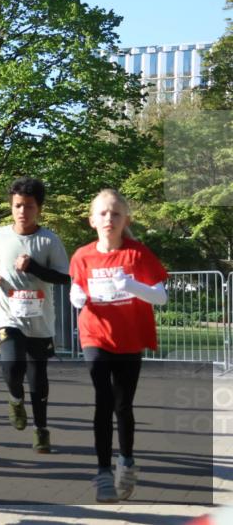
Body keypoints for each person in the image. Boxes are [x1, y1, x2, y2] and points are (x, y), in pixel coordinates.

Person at [69, 189, 168, 503]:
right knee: (103, 401)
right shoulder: (82, 255)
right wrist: (78, 298)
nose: (108, 219)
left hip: (128, 339)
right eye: (102, 213)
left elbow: (161, 296)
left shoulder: (137, 254)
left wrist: (133, 286)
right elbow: (75, 288)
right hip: (95, 335)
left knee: (123, 405)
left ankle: (126, 461)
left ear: (126, 219)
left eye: (115, 213)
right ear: (91, 220)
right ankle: (103, 475)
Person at [0, 177, 70, 453]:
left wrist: (34, 268)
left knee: (37, 377)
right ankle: (14, 398)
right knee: (12, 365)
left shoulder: (49, 240)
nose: (23, 211)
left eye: (29, 206)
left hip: (40, 320)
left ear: (39, 209)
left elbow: (62, 277)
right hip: (8, 315)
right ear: (11, 207)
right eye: (18, 206)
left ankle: (41, 430)